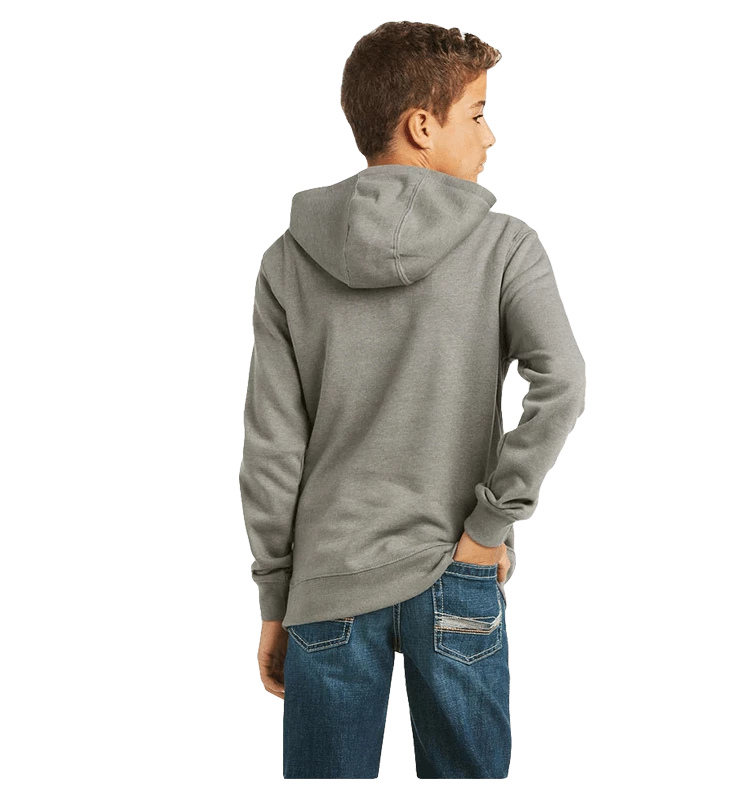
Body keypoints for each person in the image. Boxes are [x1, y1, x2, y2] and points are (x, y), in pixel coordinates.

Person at [241, 20, 586, 781]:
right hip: (455, 566)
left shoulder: (289, 257)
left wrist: (275, 594)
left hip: (325, 582)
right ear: (422, 126)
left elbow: (271, 444)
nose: (488, 136)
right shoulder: (503, 243)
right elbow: (563, 382)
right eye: (476, 113)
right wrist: (489, 527)